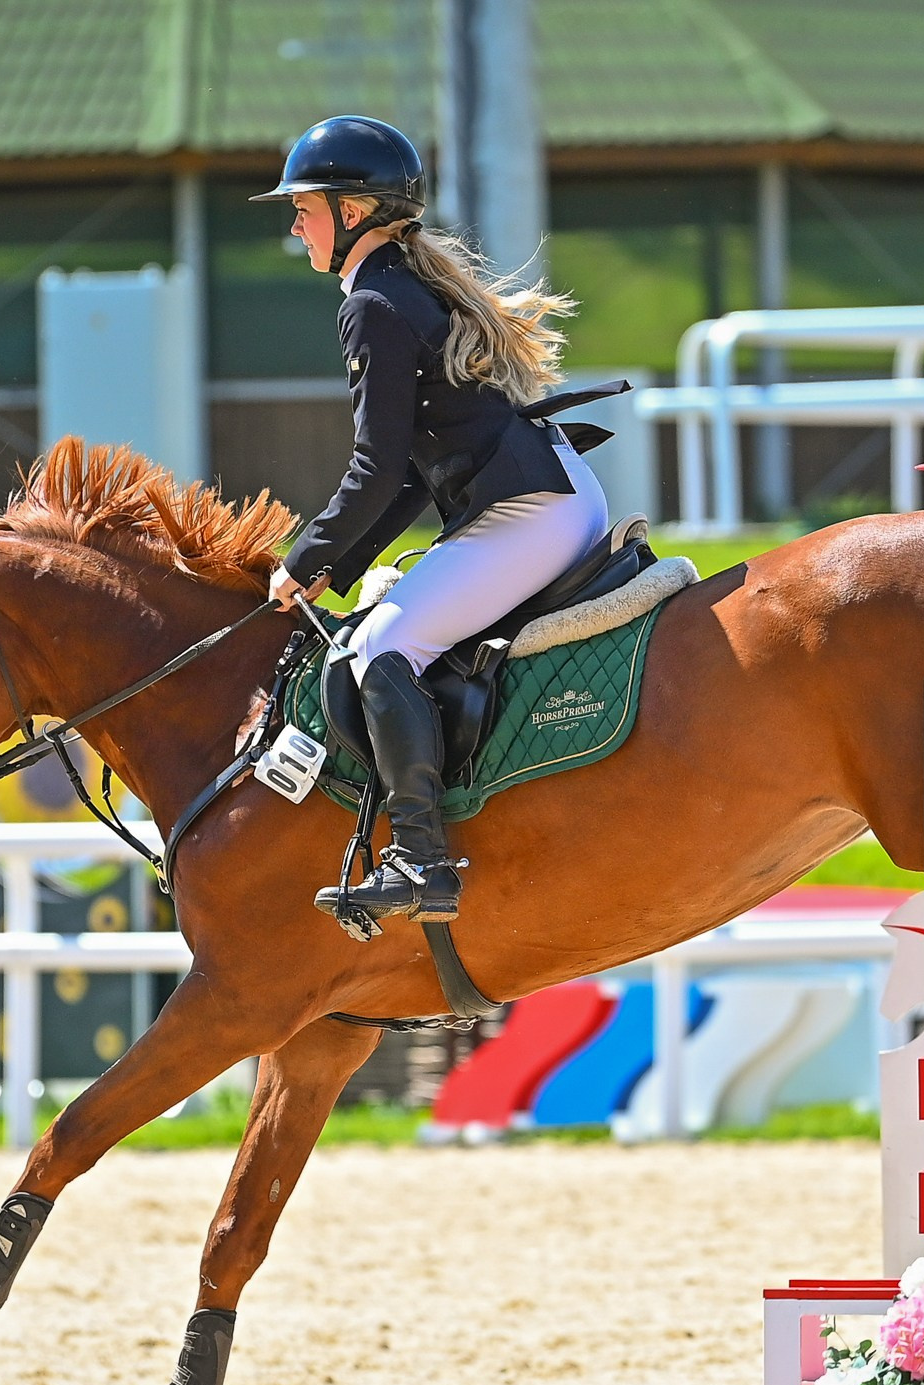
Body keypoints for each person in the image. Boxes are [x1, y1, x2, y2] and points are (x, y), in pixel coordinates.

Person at [252, 115, 614, 927]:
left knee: (382, 647)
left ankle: (420, 860)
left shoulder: (375, 304)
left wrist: (303, 556)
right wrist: (329, 571)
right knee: (380, 625)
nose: (294, 222)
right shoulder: (393, 290)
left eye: (304, 206)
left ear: (353, 213)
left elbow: (375, 466)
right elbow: (412, 473)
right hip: (547, 497)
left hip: (530, 512)